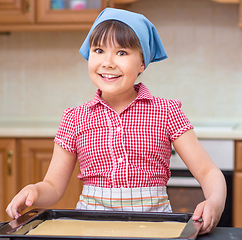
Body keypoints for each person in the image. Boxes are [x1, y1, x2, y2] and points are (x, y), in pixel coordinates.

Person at [6, 8, 226, 235]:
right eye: (99, 50)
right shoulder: (74, 118)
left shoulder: (166, 112)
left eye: (121, 53)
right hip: (91, 231)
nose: (108, 62)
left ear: (142, 63)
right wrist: (34, 190)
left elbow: (207, 170)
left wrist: (215, 202)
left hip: (154, 232)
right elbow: (53, 186)